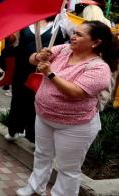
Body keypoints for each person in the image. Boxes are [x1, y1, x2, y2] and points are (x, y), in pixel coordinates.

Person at [16, 21, 118, 196]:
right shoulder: (63, 49)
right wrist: (38, 56)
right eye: (74, 32)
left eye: (79, 35)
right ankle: (35, 187)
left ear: (96, 42)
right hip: (44, 116)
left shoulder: (100, 68)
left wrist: (50, 73)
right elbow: (32, 59)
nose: (73, 36)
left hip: (75, 125)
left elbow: (76, 92)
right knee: (41, 155)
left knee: (67, 168)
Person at [6, 18, 65, 143]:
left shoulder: (62, 22)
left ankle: (33, 136)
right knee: (18, 98)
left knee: (37, 100)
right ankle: (15, 129)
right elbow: (15, 43)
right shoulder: (27, 19)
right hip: (22, 67)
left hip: (46, 70)